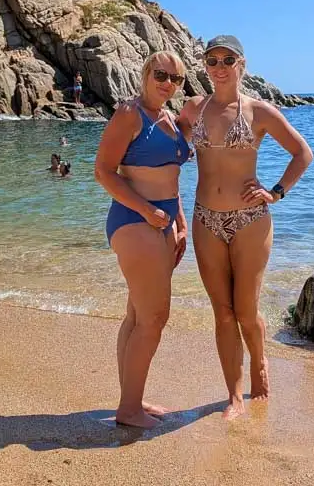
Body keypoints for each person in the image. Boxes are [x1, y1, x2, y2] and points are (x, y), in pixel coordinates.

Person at [176, 35, 313, 420]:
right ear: (204, 66)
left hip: (250, 221)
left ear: (241, 64)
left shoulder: (259, 111)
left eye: (227, 59)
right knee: (222, 312)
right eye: (212, 60)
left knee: (246, 311)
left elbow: (303, 153)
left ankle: (260, 364)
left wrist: (276, 192)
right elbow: (166, 138)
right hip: (206, 219)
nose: (219, 67)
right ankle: (234, 395)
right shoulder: (192, 109)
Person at [94, 51, 190, 429]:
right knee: (154, 317)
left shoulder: (170, 119)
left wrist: (180, 223)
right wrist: (147, 210)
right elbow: (103, 172)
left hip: (164, 223)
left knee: (136, 316)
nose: (168, 83)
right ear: (146, 74)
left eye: (176, 79)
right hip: (134, 220)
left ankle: (131, 398)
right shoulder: (129, 114)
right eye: (161, 74)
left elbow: (172, 179)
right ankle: (129, 411)